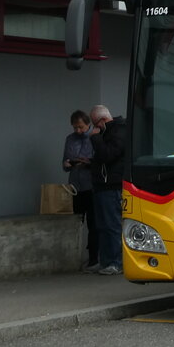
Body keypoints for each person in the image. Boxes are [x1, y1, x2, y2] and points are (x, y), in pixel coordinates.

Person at [89, 104, 127, 275]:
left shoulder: (119, 131)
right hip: (101, 185)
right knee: (102, 225)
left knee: (112, 224)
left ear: (103, 120)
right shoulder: (107, 132)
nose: (94, 128)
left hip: (112, 185)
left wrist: (96, 139)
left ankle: (116, 262)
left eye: (95, 124)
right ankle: (105, 260)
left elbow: (108, 155)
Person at [62, 109, 99, 272]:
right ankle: (74, 258)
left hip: (91, 185)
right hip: (75, 186)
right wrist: (67, 164)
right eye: (75, 127)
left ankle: (93, 259)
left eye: (81, 127)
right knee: (75, 223)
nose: (78, 131)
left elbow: (100, 160)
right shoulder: (70, 139)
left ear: (88, 124)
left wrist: (88, 163)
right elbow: (64, 161)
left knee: (93, 223)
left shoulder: (95, 137)